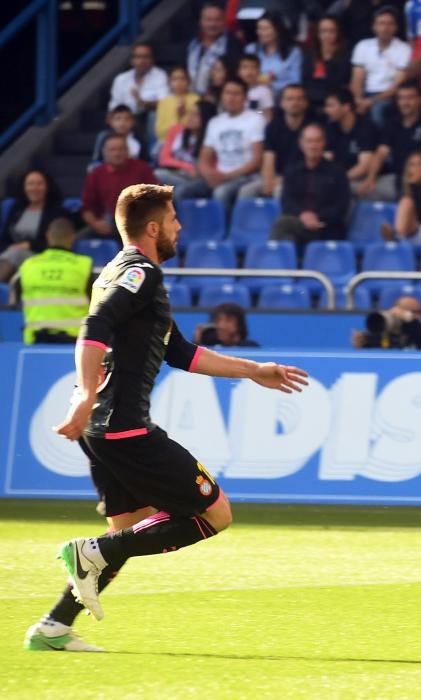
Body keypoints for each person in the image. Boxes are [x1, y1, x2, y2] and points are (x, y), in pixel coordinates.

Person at [24, 184, 308, 652]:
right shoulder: (141, 274)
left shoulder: (119, 272)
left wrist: (255, 370)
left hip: (102, 428)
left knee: (131, 530)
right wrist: (85, 392)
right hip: (124, 425)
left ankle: (54, 626)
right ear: (153, 227)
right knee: (214, 513)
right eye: (173, 220)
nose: (179, 227)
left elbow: (180, 352)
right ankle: (88, 553)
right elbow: (94, 327)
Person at [270, 123, 350, 249]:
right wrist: (303, 216)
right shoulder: (292, 171)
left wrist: (316, 217)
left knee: (283, 225)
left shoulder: (337, 172)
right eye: (309, 141)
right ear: (301, 144)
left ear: (324, 143)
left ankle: (273, 265)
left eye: (317, 141)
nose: (313, 146)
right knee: (287, 236)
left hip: (326, 227)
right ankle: (281, 265)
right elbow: (287, 201)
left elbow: (341, 206)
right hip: (299, 223)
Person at [191, 78, 265, 210]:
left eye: (236, 94)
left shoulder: (256, 119)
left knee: (221, 193)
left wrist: (226, 177)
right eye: (228, 93)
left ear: (245, 98)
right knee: (183, 192)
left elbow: (257, 160)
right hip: (219, 176)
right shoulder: (215, 122)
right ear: (222, 96)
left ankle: (223, 230)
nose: (231, 98)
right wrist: (209, 175)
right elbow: (204, 158)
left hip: (245, 177)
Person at [360, 81, 421, 202]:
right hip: (397, 178)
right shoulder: (393, 122)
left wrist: (418, 176)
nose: (405, 103)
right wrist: (371, 178)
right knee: (359, 191)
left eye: (410, 98)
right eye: (401, 98)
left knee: (409, 196)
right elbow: (381, 152)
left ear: (419, 100)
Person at [14, 218, 92, 345]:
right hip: (74, 344)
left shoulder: (28, 266)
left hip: (35, 343)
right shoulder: (84, 266)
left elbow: (18, 300)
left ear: (48, 236)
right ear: (73, 237)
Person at [240, 83, 313, 200]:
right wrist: (268, 180)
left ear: (306, 103)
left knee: (280, 191)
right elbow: (268, 157)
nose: (295, 103)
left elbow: (312, 162)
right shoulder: (273, 127)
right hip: (277, 176)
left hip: (305, 177)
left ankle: (280, 219)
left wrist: (285, 179)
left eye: (299, 99)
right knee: (246, 191)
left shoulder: (313, 128)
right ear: (282, 103)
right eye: (290, 99)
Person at [81, 134, 157, 240]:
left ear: (127, 151)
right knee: (80, 240)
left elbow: (156, 201)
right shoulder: (96, 174)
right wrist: (96, 224)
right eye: (112, 150)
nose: (117, 153)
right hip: (107, 226)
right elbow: (87, 208)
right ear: (104, 152)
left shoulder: (143, 170)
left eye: (121, 149)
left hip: (137, 225)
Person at [0, 170, 68, 282]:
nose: (35, 188)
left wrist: (29, 245)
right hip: (10, 255)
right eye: (30, 184)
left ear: (47, 186)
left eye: (39, 184)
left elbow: (56, 243)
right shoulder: (16, 209)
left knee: (15, 254)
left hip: (41, 256)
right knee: (13, 253)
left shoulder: (57, 212)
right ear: (24, 187)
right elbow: (5, 239)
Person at [349, 6, 411, 127]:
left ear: (396, 27)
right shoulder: (363, 46)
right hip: (365, 94)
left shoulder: (404, 49)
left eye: (390, 24)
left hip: (389, 96)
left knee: (378, 110)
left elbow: (397, 85)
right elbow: (356, 79)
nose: (385, 28)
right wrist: (358, 99)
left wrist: (371, 102)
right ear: (374, 27)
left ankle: (382, 143)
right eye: (381, 23)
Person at [155, 101, 218, 196]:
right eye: (190, 113)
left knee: (181, 191)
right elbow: (164, 159)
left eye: (196, 115)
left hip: (200, 180)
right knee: (156, 174)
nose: (190, 117)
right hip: (177, 174)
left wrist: (198, 171)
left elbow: (213, 167)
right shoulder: (176, 130)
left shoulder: (211, 137)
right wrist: (189, 168)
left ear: (206, 118)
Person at [323, 88, 378, 196]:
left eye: (331, 106)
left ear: (346, 107)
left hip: (362, 179)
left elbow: (364, 167)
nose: (326, 110)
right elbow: (327, 159)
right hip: (340, 177)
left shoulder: (365, 127)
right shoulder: (330, 127)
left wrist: (339, 180)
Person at [186, 2, 243, 95]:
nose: (212, 24)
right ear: (201, 21)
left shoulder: (233, 45)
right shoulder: (192, 44)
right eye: (208, 20)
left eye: (217, 20)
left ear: (224, 21)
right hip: (189, 100)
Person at [352, 294, 421, 350]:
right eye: (413, 312)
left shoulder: (418, 330)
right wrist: (363, 344)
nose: (418, 316)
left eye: (419, 312)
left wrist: (412, 322)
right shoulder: (385, 326)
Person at [303, 15, 352, 114]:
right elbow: (305, 79)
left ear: (337, 33)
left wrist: (329, 59)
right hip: (312, 98)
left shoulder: (345, 55)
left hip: (334, 98)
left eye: (331, 31)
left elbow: (340, 80)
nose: (327, 35)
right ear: (318, 33)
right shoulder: (310, 54)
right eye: (324, 31)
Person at [244, 11, 302, 95]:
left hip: (281, 97)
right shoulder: (251, 49)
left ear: (277, 30)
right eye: (259, 28)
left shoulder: (293, 52)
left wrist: (273, 85)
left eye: (266, 29)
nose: (261, 32)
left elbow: (296, 81)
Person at [108, 42, 169, 116]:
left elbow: (164, 102)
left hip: (150, 116)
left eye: (146, 57)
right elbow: (114, 105)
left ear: (152, 60)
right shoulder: (121, 79)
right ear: (132, 61)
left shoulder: (160, 75)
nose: (142, 61)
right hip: (127, 119)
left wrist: (143, 102)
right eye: (138, 57)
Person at [154, 67, 201, 147]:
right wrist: (177, 117)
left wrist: (183, 115)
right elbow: (159, 131)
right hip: (166, 142)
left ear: (189, 81)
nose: (179, 83)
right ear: (169, 83)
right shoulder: (164, 102)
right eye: (175, 79)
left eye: (182, 79)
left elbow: (196, 127)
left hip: (188, 141)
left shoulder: (196, 99)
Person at [194, 302, 259, 347]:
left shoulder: (251, 347)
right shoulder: (209, 349)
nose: (221, 325)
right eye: (218, 320)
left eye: (228, 320)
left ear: (239, 325)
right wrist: (197, 342)